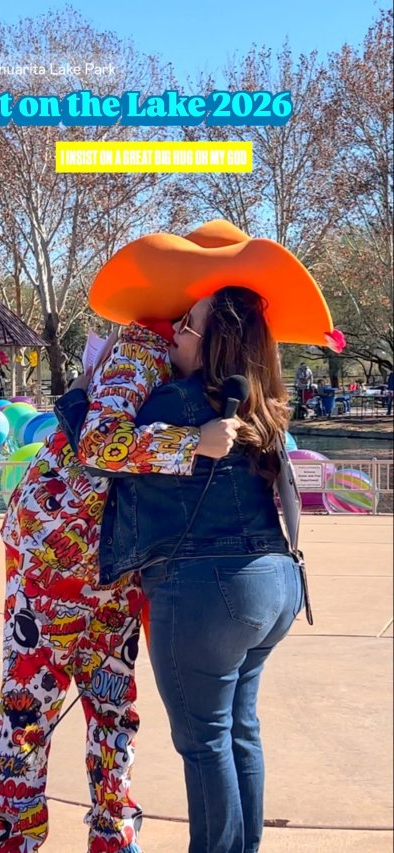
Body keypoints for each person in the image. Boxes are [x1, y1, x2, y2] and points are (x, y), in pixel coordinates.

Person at [58, 220, 345, 853]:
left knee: (204, 742)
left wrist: (80, 395)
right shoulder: (263, 405)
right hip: (276, 587)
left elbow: (99, 448)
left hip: (208, 594)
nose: (176, 334)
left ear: (213, 340)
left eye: (186, 325)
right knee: (240, 730)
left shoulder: (177, 405)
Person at [0, 320, 236, 853]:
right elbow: (99, 443)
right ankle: (19, 840)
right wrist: (194, 442)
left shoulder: (185, 369)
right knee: (32, 702)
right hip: (59, 553)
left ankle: (112, 834)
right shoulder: (144, 348)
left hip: (112, 560)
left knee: (112, 704)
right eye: (188, 320)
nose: (185, 330)